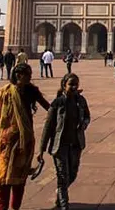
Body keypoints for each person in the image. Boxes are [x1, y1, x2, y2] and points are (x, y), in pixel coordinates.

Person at [0, 63, 50, 210]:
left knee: (20, 178)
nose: (30, 77)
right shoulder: (5, 92)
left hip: (24, 140)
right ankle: (2, 207)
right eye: (27, 75)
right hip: (5, 140)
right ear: (18, 75)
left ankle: (15, 207)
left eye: (30, 74)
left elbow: (49, 107)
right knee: (2, 177)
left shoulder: (31, 91)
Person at [38, 73, 90, 210]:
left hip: (75, 144)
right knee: (62, 176)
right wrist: (41, 150)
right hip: (60, 145)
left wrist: (84, 123)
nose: (73, 87)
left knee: (72, 174)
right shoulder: (57, 103)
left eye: (75, 84)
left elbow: (87, 116)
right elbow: (48, 127)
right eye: (70, 84)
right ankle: (63, 205)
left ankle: (60, 194)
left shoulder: (81, 101)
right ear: (63, 85)